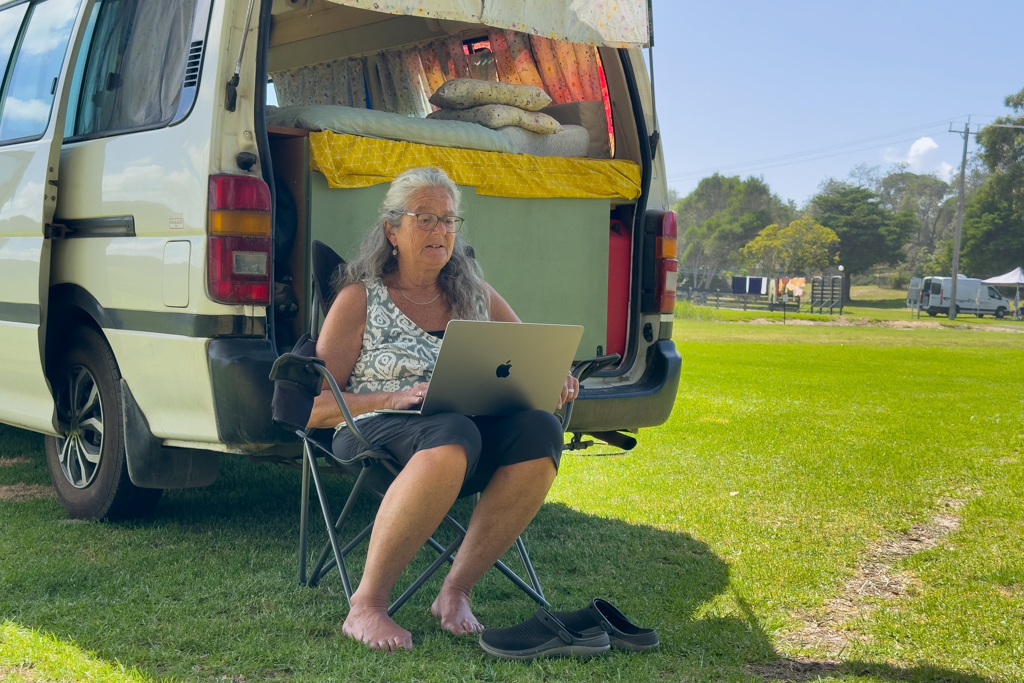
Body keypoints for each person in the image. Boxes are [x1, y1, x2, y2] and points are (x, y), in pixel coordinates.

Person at [307, 167, 578, 652]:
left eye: (449, 221)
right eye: (425, 218)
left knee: (539, 430)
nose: (440, 231)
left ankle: (455, 591)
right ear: (392, 230)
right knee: (453, 434)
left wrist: (552, 377)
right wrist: (389, 397)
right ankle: (365, 607)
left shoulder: (475, 294)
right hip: (374, 427)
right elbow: (315, 407)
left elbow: (527, 356)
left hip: (463, 431)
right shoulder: (359, 300)